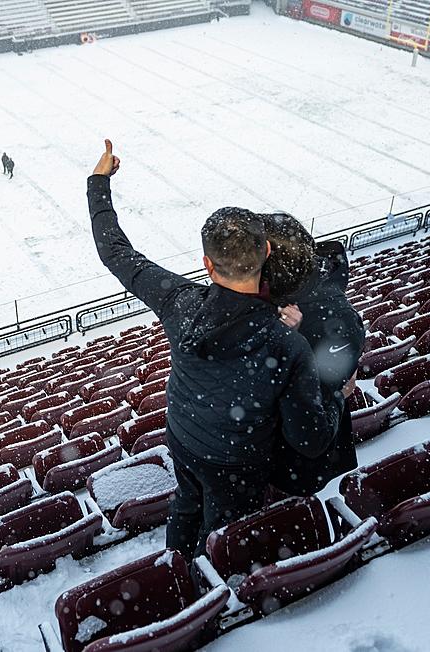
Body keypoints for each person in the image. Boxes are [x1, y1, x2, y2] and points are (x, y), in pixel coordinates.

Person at [87, 140, 340, 561]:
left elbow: (115, 252)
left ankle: (177, 570)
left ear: (206, 264)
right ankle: (214, 585)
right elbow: (311, 441)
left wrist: (99, 183)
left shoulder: (178, 302)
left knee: (186, 508)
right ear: (268, 251)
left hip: (184, 438)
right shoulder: (287, 343)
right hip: (238, 463)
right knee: (223, 534)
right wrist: (335, 394)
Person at [262, 213, 365, 497]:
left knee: (305, 512)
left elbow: (314, 407)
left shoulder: (320, 316)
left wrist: (284, 340)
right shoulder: (319, 295)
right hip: (319, 451)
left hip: (300, 463)